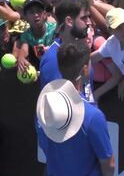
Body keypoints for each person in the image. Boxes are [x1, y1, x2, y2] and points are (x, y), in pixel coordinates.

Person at [36, 40, 114, 176]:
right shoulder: (93, 116)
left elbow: (45, 146)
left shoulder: (44, 108)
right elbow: (109, 164)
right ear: (85, 69)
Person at [39, 0, 92, 88]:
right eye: (84, 18)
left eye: (88, 17)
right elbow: (57, 99)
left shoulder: (82, 48)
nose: (89, 22)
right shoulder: (53, 59)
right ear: (69, 21)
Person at [17, 0, 57, 72]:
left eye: (39, 11)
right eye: (31, 12)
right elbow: (24, 50)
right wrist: (21, 57)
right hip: (44, 67)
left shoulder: (54, 28)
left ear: (44, 14)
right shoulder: (26, 34)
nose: (36, 15)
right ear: (25, 18)